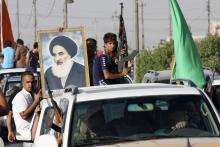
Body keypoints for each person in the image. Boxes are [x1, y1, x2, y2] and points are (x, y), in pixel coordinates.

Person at [12, 71, 42, 140]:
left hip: (34, 129)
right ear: (23, 83)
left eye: (32, 82)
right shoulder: (20, 96)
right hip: (26, 133)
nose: (30, 85)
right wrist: (36, 101)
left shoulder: (31, 94)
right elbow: (24, 115)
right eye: (28, 82)